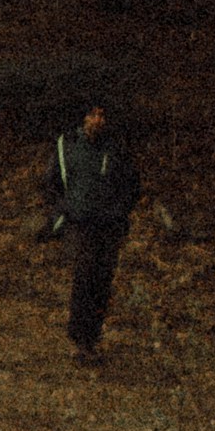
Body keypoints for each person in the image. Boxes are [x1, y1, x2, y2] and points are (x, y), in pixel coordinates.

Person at [47, 99, 139, 361]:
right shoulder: (67, 146)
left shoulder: (116, 149)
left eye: (102, 115)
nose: (98, 120)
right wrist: (63, 212)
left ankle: (92, 339)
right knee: (84, 277)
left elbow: (132, 185)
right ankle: (79, 340)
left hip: (109, 226)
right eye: (92, 115)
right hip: (80, 224)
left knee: (102, 282)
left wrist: (119, 212)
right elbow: (52, 183)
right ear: (83, 117)